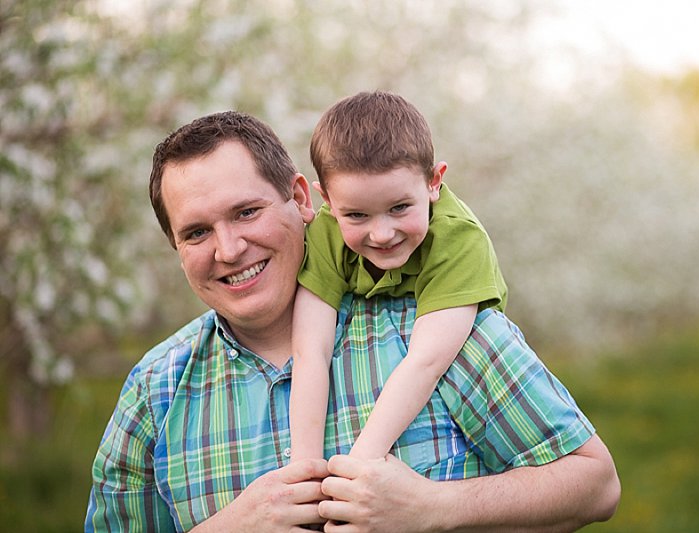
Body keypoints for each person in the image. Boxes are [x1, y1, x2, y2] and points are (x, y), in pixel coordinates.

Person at [85, 110, 620, 532]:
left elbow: (596, 486)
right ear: (176, 247)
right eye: (197, 232)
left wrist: (433, 508)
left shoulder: (445, 331)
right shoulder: (154, 391)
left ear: (302, 199)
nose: (229, 249)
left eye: (246, 212)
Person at [289, 91, 508, 462]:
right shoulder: (327, 231)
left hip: (464, 381)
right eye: (357, 215)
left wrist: (361, 463)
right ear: (327, 199)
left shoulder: (458, 240)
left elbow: (428, 361)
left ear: (433, 182)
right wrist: (305, 465)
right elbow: (310, 350)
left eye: (400, 208)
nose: (382, 234)